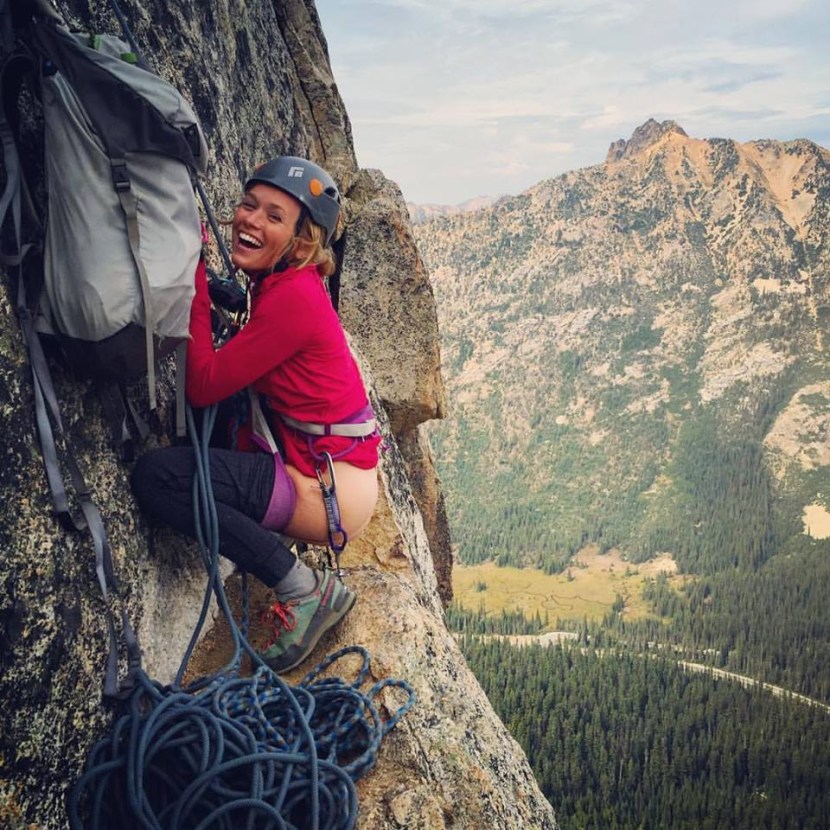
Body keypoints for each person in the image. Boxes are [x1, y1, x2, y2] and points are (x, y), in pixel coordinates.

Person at [131, 156, 380, 673]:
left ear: (301, 241)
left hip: (324, 491)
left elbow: (201, 386)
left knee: (159, 479)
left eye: (273, 216)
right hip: (327, 469)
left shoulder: (294, 299)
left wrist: (195, 281)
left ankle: (302, 587)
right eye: (248, 205)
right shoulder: (284, 286)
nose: (250, 220)